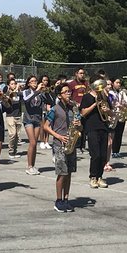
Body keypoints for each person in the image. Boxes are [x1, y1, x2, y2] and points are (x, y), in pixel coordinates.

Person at [41, 83, 78, 212]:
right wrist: (58, 136)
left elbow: (80, 128)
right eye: (65, 92)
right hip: (59, 144)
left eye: (69, 92)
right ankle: (58, 200)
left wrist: (78, 124)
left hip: (71, 143)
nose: (69, 94)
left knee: (69, 173)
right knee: (62, 173)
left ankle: (66, 199)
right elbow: (45, 126)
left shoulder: (73, 108)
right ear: (59, 95)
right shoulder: (55, 109)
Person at [79, 77, 111, 189]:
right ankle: (93, 177)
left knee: (103, 155)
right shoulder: (87, 97)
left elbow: (110, 113)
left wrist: (107, 111)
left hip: (103, 127)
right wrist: (94, 104)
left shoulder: (104, 97)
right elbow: (83, 113)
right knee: (95, 154)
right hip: (92, 127)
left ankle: (100, 177)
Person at [21, 75, 44, 176]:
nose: (35, 83)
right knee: (32, 142)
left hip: (38, 119)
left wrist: (43, 91)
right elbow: (26, 100)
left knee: (35, 144)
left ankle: (33, 165)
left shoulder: (40, 92)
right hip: (28, 119)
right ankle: (29, 166)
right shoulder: (26, 92)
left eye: (36, 81)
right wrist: (37, 91)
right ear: (29, 83)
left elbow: (48, 101)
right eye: (32, 81)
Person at [2, 78, 24, 160]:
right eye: (12, 84)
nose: (14, 85)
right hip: (10, 116)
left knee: (17, 136)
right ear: (8, 85)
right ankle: (11, 151)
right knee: (12, 134)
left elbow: (23, 99)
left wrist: (19, 90)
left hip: (18, 115)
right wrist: (12, 92)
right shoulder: (7, 93)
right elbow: (5, 104)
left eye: (15, 83)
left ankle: (14, 151)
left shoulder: (18, 94)